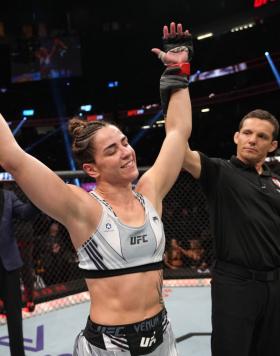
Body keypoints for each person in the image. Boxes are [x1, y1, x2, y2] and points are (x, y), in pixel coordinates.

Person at [0, 22, 193, 355]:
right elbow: (13, 158)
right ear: (91, 169)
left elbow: (177, 133)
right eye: (111, 150)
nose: (126, 152)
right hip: (108, 346)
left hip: (162, 338)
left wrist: (178, 74)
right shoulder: (82, 209)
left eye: (124, 142)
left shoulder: (150, 192)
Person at [181, 106, 280, 355]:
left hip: (276, 285)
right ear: (237, 137)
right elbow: (178, 150)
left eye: (262, 136)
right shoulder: (220, 172)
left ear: (273, 145)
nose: (252, 140)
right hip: (236, 284)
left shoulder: (275, 181)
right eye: (247, 133)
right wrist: (174, 83)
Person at [0, 187, 38, 356]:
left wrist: (37, 196)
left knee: (14, 317)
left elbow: (25, 212)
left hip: (9, 264)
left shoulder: (8, 196)